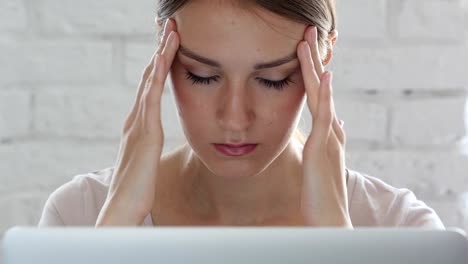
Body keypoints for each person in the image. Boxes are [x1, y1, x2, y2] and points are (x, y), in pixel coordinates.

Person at [38, 0, 445, 228]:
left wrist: (335, 237)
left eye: (273, 80)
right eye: (201, 76)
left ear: (323, 58)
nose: (234, 120)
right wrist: (116, 228)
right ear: (164, 54)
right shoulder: (79, 214)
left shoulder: (399, 228)